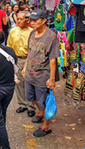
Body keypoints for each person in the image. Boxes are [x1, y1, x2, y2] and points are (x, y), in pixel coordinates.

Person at [23, 10, 59, 138]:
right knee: (31, 98)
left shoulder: (51, 36)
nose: (31, 23)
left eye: (35, 20)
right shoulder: (33, 33)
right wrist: (25, 68)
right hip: (29, 73)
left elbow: (53, 59)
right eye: (30, 20)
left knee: (43, 101)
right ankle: (40, 112)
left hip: (42, 75)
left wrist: (52, 79)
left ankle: (46, 126)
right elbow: (30, 52)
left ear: (44, 20)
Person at [7, 11, 35, 117]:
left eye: (21, 19)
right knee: (18, 83)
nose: (18, 21)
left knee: (29, 83)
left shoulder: (32, 32)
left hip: (29, 60)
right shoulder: (13, 31)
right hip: (17, 60)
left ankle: (30, 106)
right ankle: (22, 104)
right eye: (17, 18)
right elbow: (9, 46)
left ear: (27, 20)